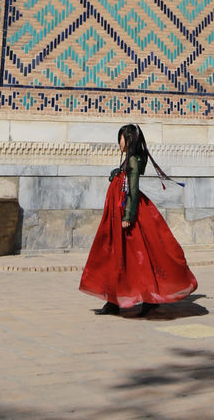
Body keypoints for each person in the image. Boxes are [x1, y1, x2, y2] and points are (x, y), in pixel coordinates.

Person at [79, 124, 198, 315]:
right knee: (116, 257)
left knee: (134, 258)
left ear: (129, 140)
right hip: (117, 212)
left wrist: (128, 216)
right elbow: (125, 182)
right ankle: (114, 300)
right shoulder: (129, 159)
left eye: (122, 138)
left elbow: (133, 189)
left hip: (127, 214)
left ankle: (146, 298)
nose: (119, 142)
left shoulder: (133, 160)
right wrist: (117, 174)